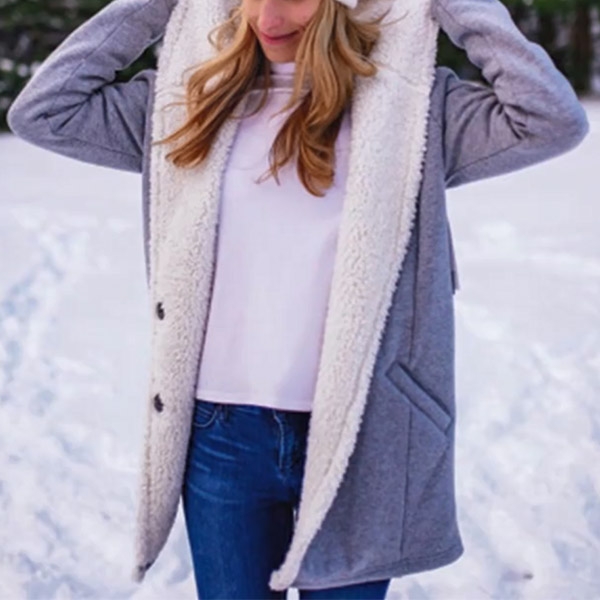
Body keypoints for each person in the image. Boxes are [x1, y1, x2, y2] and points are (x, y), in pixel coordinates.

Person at [6, 0, 589, 598]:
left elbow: (548, 119)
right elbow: (43, 111)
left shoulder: (411, 108)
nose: (268, 18)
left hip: (365, 435)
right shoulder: (188, 99)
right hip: (221, 435)